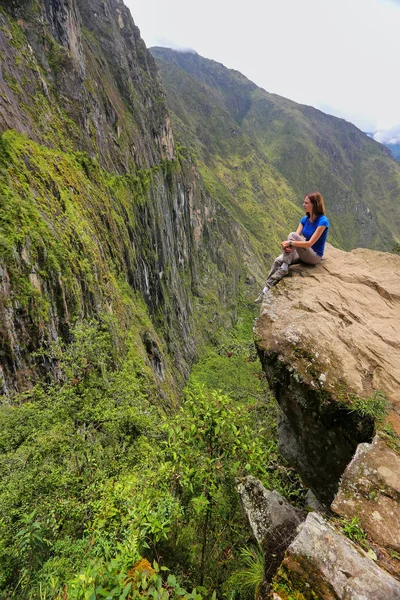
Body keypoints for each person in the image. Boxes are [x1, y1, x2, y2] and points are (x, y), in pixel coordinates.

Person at [255, 192, 329, 303]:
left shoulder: (323, 221)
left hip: (314, 255)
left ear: (314, 204)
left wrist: (289, 243)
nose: (303, 204)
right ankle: (265, 290)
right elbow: (295, 239)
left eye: (306, 203)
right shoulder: (304, 220)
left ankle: (284, 268)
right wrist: (287, 248)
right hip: (303, 253)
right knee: (277, 261)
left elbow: (308, 244)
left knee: (292, 235)